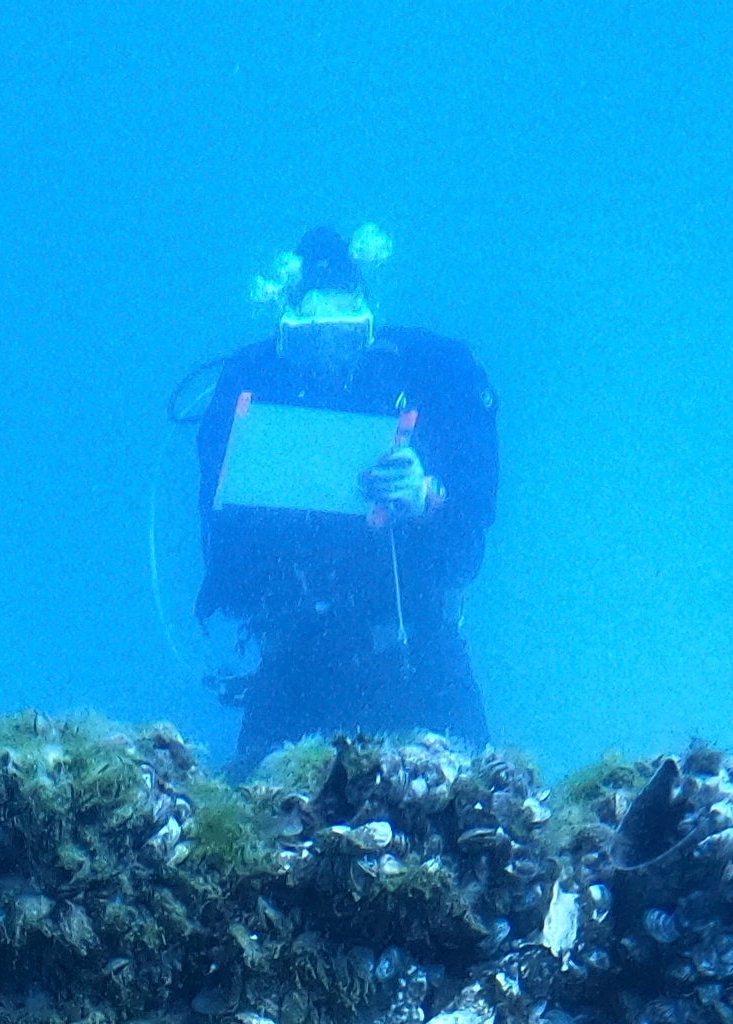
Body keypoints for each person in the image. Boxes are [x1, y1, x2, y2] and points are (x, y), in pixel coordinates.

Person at [184, 224, 500, 772]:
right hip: (294, 667)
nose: (329, 358)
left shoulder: (431, 370)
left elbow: (476, 510)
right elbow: (221, 551)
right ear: (287, 332)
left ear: (369, 325)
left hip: (416, 654)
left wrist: (428, 494)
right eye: (311, 341)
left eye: (347, 336)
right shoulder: (248, 380)